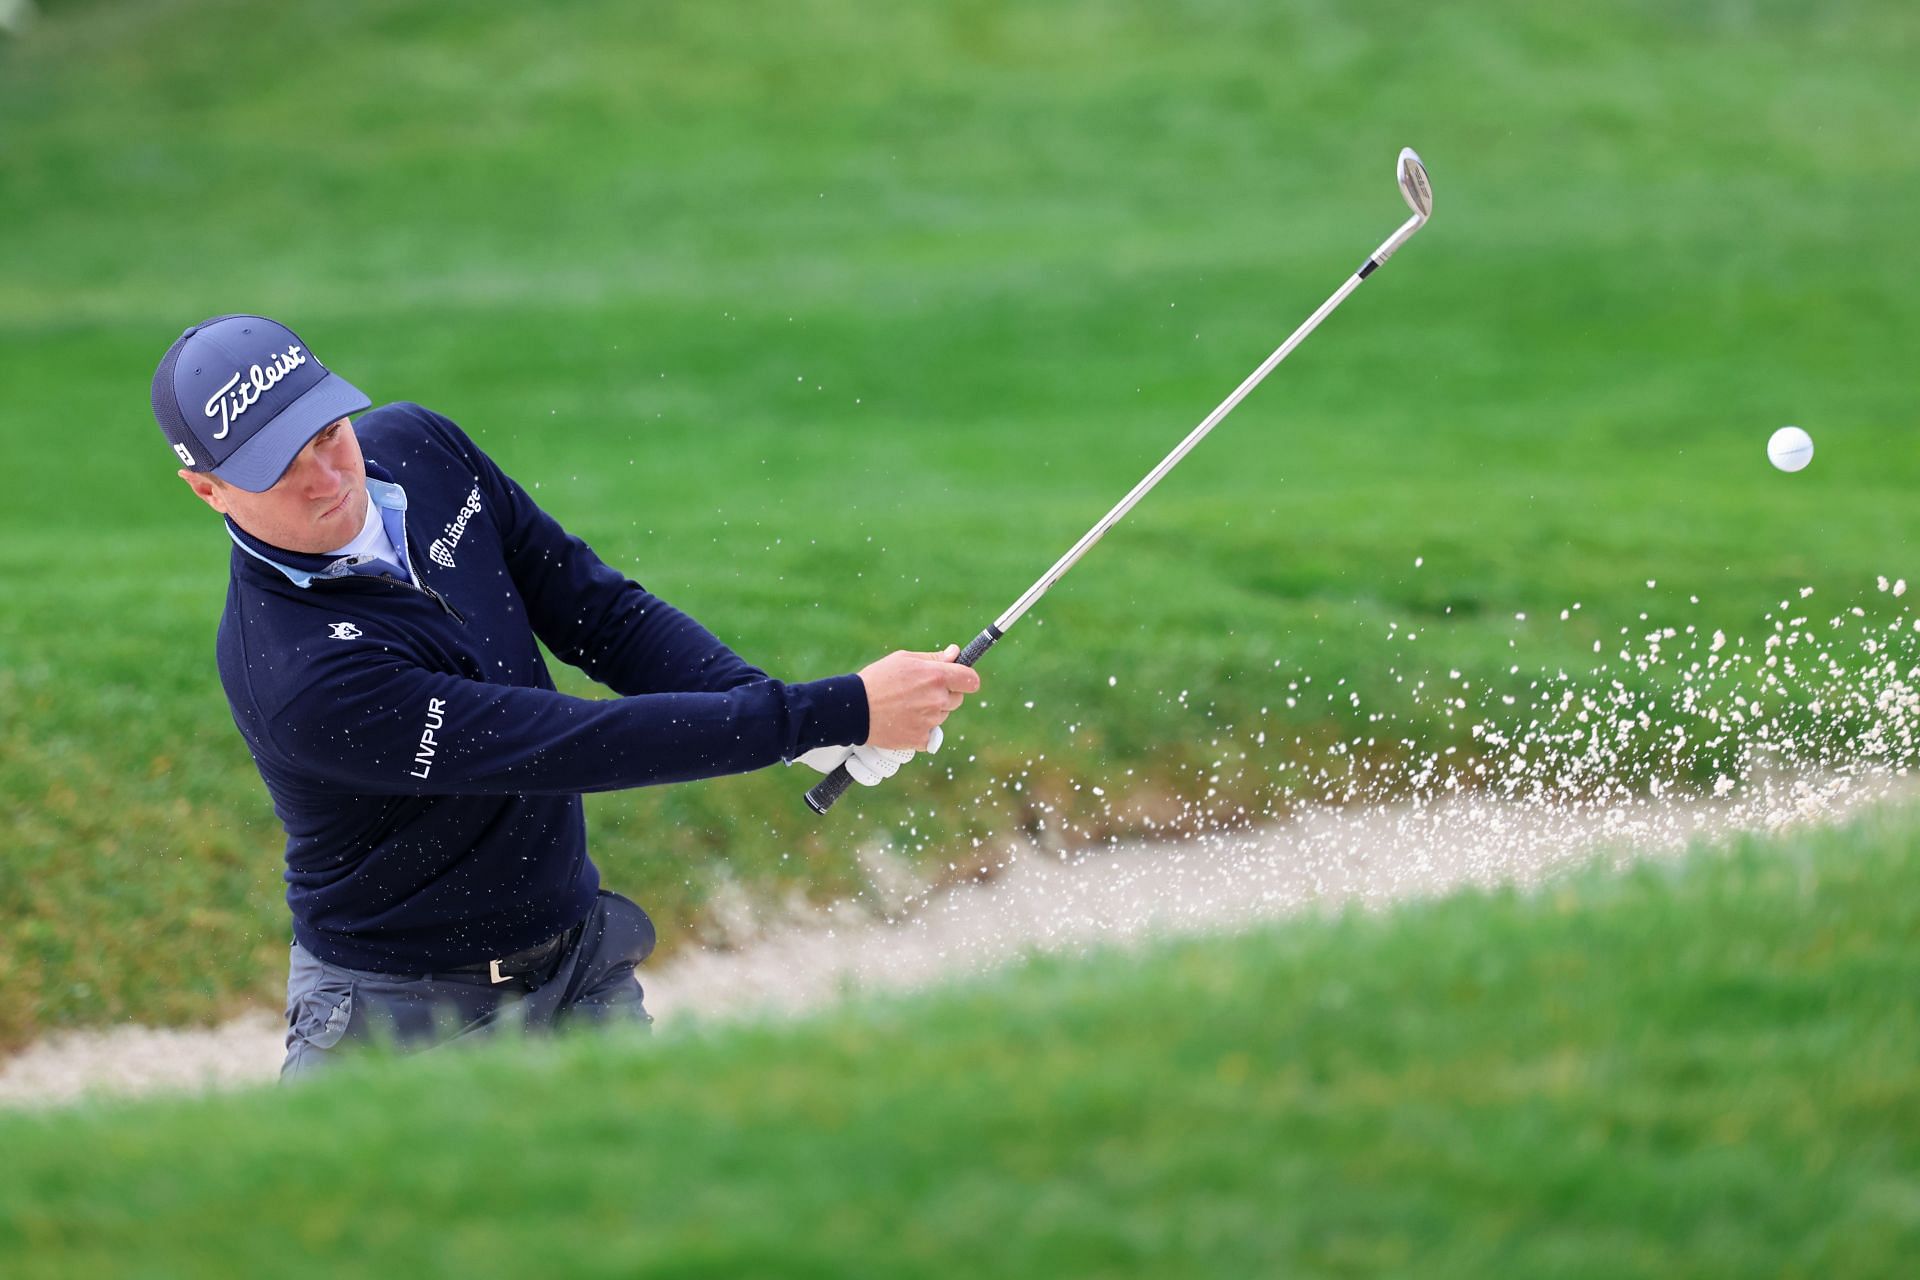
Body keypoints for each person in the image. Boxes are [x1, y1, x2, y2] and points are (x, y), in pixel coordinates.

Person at [149, 314, 980, 1077]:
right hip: (400, 1022)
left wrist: (778, 715)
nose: (325, 476)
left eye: (328, 434)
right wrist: (831, 710)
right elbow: (569, 744)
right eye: (277, 467)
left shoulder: (420, 448)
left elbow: (598, 613)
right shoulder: (298, 676)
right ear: (208, 488)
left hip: (578, 968)